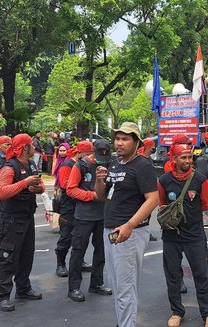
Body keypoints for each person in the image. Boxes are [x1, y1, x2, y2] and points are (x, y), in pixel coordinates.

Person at [95, 122, 159, 327]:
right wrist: (99, 181)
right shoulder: (115, 163)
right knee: (116, 283)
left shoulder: (142, 165)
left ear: (136, 142)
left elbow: (153, 199)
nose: (119, 143)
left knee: (125, 286)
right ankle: (124, 322)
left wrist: (130, 225)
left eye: (125, 139)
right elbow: (102, 196)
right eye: (117, 138)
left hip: (129, 234)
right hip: (111, 230)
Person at [158, 143, 208, 327]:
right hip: (171, 236)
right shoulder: (164, 180)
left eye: (189, 157)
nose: (187, 161)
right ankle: (177, 312)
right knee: (173, 276)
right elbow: (161, 203)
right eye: (183, 157)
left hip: (195, 236)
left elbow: (206, 204)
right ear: (173, 159)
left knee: (202, 275)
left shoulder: (200, 179)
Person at [164, 134, 208, 293]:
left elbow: (204, 201)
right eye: (186, 145)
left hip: (193, 221)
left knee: (201, 251)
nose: (189, 149)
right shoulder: (169, 169)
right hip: (176, 222)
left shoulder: (190, 165)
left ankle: (207, 275)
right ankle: (179, 281)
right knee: (174, 256)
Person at [0, 134, 45, 311]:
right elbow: (1, 192)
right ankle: (1, 297)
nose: (34, 147)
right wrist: (24, 183)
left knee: (26, 255)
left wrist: (37, 187)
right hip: (11, 220)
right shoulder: (9, 167)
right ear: (24, 147)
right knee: (8, 258)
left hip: (27, 217)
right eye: (31, 145)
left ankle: (23, 288)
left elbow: (41, 186)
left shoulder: (31, 164)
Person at [66, 139, 112, 302]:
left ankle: (96, 283)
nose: (102, 160)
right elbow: (70, 189)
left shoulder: (110, 163)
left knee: (101, 252)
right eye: (99, 155)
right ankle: (74, 287)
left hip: (103, 216)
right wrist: (90, 195)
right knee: (78, 251)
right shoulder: (81, 165)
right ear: (93, 151)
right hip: (84, 216)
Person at [54, 141, 93, 277]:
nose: (89, 156)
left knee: (81, 237)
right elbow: (65, 185)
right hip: (68, 206)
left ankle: (79, 261)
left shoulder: (86, 164)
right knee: (66, 236)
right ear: (79, 152)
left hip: (81, 205)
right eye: (87, 154)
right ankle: (61, 263)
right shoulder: (67, 165)